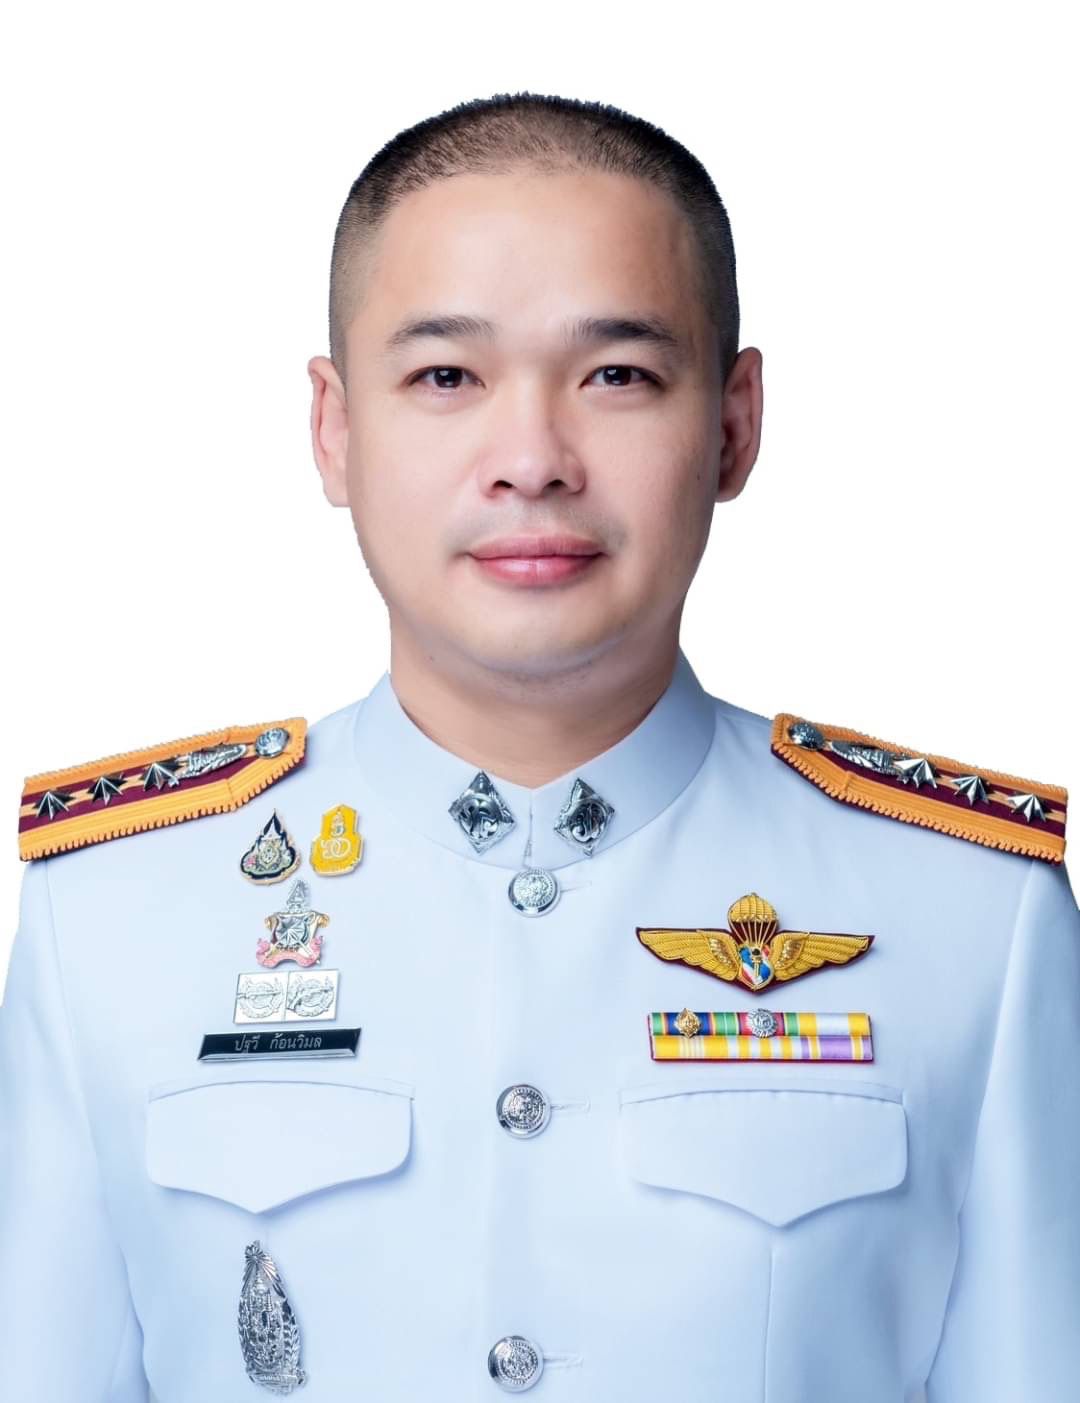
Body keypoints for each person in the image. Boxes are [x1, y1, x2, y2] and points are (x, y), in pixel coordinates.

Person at [1, 90, 1076, 1403]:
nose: (531, 461)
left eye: (617, 375)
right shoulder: (110, 913)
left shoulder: (974, 915)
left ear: (733, 423)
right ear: (335, 428)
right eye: (445, 377)